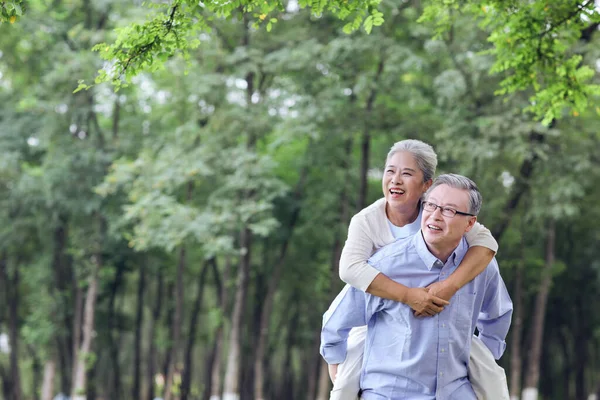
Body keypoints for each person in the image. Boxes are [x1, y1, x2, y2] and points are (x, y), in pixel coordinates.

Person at [329, 140, 506, 400]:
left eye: (407, 173)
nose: (395, 180)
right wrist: (409, 296)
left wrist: (448, 286)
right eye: (390, 171)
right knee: (343, 386)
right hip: (378, 324)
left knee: (493, 384)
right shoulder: (367, 220)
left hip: (449, 327)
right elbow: (350, 270)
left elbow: (487, 245)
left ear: (426, 185)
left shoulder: (438, 209)